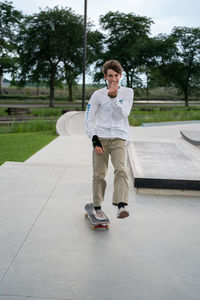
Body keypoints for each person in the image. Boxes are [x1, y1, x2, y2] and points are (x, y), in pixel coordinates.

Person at [85, 60, 134, 220]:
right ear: (105, 76)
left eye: (116, 75)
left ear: (120, 76)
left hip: (120, 137)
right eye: (110, 75)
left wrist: (113, 99)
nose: (113, 79)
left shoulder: (127, 92)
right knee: (99, 175)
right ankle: (97, 207)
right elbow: (89, 118)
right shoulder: (97, 95)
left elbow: (124, 114)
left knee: (121, 170)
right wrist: (94, 140)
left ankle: (121, 206)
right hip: (101, 138)